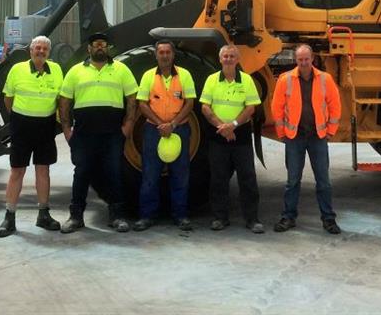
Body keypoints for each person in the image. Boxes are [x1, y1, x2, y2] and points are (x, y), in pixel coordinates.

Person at [58, 31, 138, 234]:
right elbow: (65, 101)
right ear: (89, 48)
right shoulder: (76, 71)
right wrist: (67, 130)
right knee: (82, 173)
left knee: (114, 173)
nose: (100, 47)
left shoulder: (121, 69)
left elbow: (132, 98)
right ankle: (75, 217)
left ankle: (117, 216)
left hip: (112, 134)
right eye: (96, 44)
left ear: (107, 48)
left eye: (103, 44)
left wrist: (128, 125)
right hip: (83, 135)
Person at [0, 35, 63, 238]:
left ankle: (43, 214)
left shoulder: (57, 70)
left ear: (49, 53)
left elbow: (60, 99)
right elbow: (8, 99)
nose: (40, 51)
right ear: (30, 51)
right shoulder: (18, 70)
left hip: (46, 127)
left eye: (44, 49)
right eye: (37, 48)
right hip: (22, 127)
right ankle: (9, 217)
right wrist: (18, 118)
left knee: (43, 170)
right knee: (17, 171)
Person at [270, 44, 342, 234]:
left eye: (306, 59)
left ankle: (328, 220)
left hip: (317, 137)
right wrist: (282, 133)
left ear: (312, 59)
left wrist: (330, 131)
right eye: (300, 59)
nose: (303, 63)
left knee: (323, 181)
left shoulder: (325, 79)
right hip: (295, 137)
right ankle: (288, 217)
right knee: (292, 181)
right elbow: (276, 107)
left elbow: (335, 105)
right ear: (296, 60)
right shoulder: (285, 80)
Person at [199, 44, 264, 234]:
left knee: (248, 178)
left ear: (237, 59)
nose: (228, 59)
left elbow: (251, 108)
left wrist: (233, 125)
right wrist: (223, 127)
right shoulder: (211, 80)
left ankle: (252, 219)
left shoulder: (246, 80)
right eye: (225, 56)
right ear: (220, 59)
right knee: (218, 179)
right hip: (218, 137)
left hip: (241, 137)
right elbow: (205, 107)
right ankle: (220, 218)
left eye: (232, 56)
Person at [133, 39, 196, 232]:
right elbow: (142, 103)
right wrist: (161, 124)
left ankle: (181, 216)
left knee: (180, 174)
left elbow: (190, 102)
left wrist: (173, 124)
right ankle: (147, 216)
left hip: (180, 130)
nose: (165, 56)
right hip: (154, 130)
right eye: (161, 52)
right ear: (156, 55)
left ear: (173, 55)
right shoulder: (147, 76)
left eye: (168, 52)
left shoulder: (184, 75)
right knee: (150, 174)